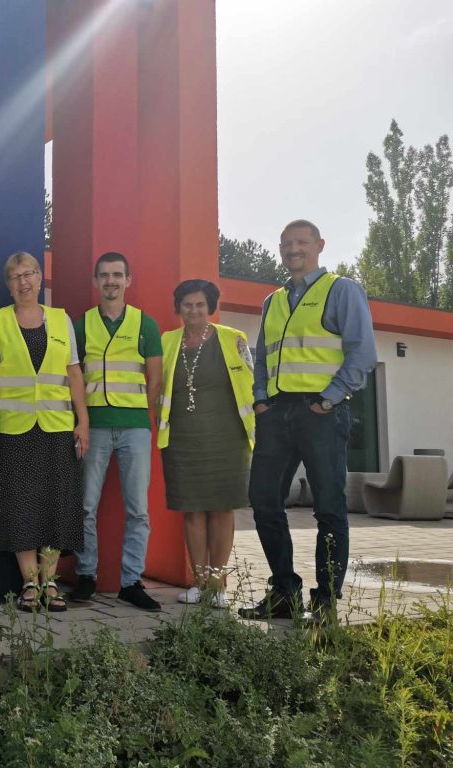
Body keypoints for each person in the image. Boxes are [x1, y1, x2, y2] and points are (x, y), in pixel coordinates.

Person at [239, 219, 376, 622]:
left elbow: (362, 354)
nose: (292, 249)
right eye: (286, 243)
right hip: (275, 412)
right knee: (263, 499)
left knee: (329, 507)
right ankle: (284, 592)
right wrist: (260, 399)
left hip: (322, 413)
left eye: (301, 242)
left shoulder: (341, 290)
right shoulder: (273, 301)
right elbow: (262, 357)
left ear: (319, 245)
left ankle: (326, 602)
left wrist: (329, 398)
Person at [0, 252, 88, 612]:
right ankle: (30, 582)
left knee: (55, 503)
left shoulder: (61, 320)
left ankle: (50, 581)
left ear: (40, 278)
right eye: (16, 277)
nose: (23, 282)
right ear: (8, 285)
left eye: (29, 274)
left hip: (56, 427)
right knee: (20, 505)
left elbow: (74, 373)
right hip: (12, 429)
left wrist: (83, 421)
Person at [67, 252, 163, 612]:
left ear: (127, 280)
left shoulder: (145, 325)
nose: (111, 281)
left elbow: (155, 378)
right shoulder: (81, 325)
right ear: (96, 281)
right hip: (93, 426)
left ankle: (131, 582)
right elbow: (74, 376)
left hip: (135, 428)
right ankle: (86, 576)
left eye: (117, 275)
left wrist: (137, 412)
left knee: (138, 509)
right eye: (104, 275)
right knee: (85, 505)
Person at [157, 280, 255, 608]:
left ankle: (219, 586)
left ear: (210, 306)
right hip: (182, 439)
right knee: (192, 511)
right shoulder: (167, 341)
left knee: (222, 510)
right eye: (187, 304)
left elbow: (251, 381)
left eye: (200, 304)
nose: (193, 310)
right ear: (179, 308)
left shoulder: (233, 338)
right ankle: (199, 584)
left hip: (227, 438)